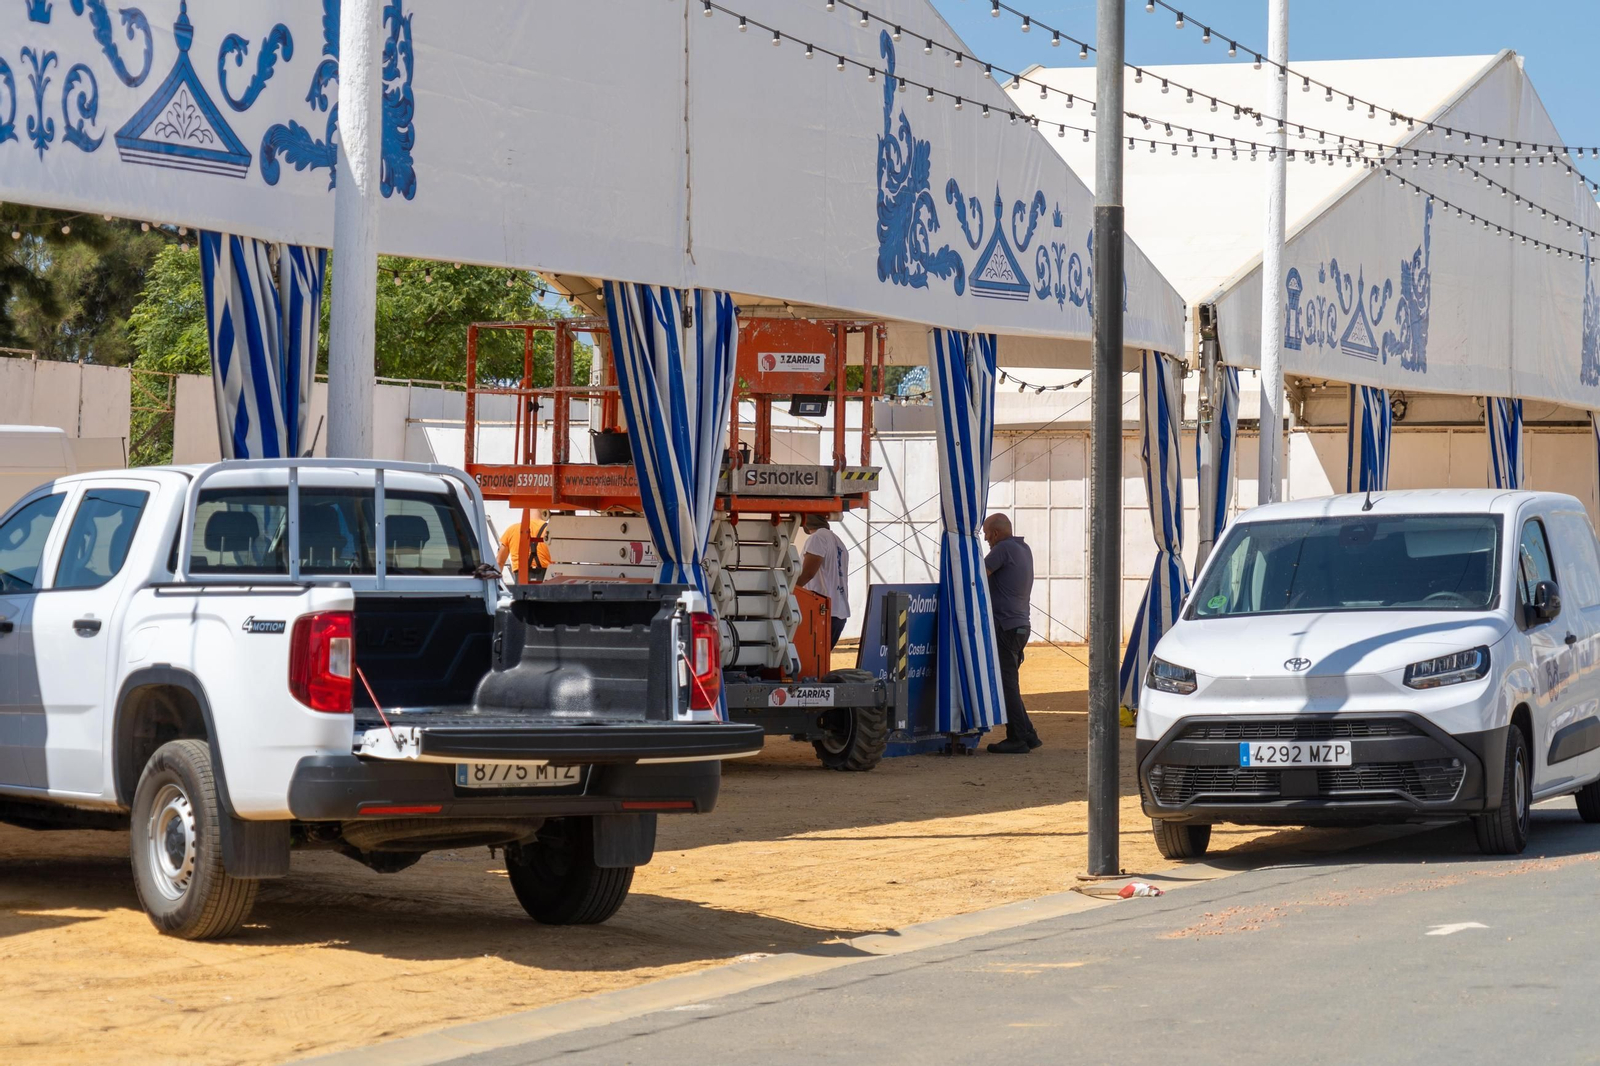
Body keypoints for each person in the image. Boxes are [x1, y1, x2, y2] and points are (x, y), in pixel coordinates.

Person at [982, 513, 1041, 754]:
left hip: (1005, 626)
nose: (986, 540)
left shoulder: (1002, 549)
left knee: (1006, 685)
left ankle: (1016, 737)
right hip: (1020, 626)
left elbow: (977, 576)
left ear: (995, 533)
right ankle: (1028, 734)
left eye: (986, 535)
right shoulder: (1022, 548)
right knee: (1010, 684)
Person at [797, 513, 850, 648]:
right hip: (839, 611)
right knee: (822, 661)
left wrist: (789, 590)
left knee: (811, 659)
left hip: (822, 611)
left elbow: (808, 573)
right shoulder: (838, 541)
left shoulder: (817, 538)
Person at [497, 508, 552, 583]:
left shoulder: (512, 530)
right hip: (547, 578)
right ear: (544, 512)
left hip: (521, 579)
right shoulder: (550, 530)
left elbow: (499, 562)